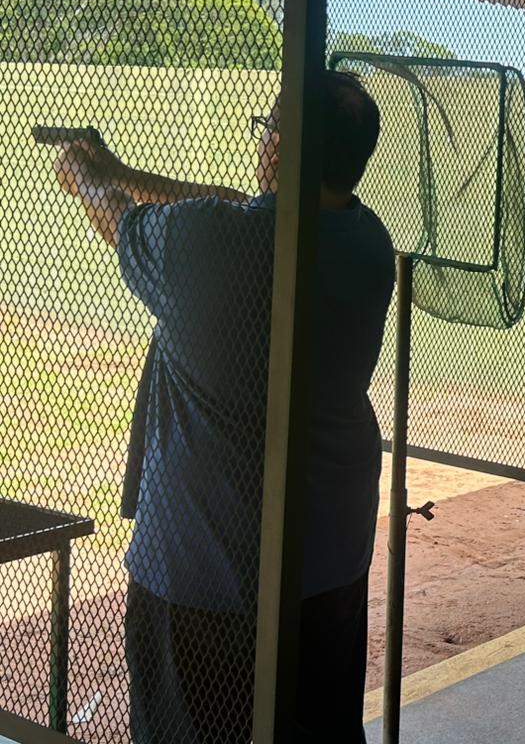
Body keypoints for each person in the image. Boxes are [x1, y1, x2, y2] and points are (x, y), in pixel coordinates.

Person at [53, 71, 394, 742]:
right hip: (328, 560)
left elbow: (118, 218)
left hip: (205, 573)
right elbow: (241, 206)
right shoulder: (368, 242)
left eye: (268, 128)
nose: (261, 139)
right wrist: (123, 169)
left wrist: (89, 179)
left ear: (281, 147)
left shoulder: (214, 242)